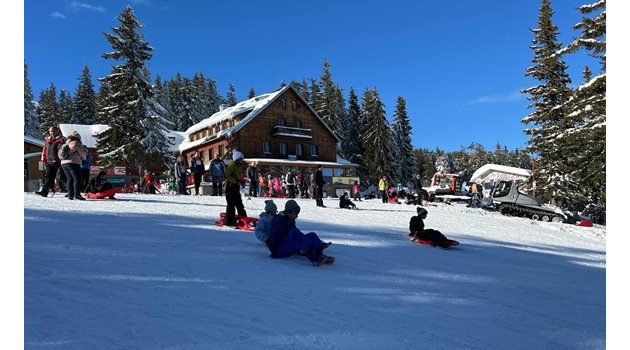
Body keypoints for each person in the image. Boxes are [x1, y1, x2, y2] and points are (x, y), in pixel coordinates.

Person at [267, 200, 334, 266]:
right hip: (278, 250)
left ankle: (319, 251)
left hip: (285, 246)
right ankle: (315, 258)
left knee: (312, 235)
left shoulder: (289, 219)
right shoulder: (281, 221)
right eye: (296, 213)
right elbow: (275, 238)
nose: (297, 216)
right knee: (296, 234)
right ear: (289, 212)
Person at [35, 126, 66, 197]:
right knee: (48, 177)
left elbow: (64, 150)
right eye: (50, 131)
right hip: (49, 162)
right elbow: (44, 150)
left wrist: (63, 159)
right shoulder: (47, 140)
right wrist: (43, 159)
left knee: (62, 176)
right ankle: (44, 192)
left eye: (53, 131)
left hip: (58, 161)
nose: (52, 132)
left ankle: (71, 190)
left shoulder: (61, 139)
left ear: (57, 131)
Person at [60, 131, 88, 200]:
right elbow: (84, 155)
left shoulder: (66, 144)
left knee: (69, 179)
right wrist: (83, 157)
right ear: (78, 138)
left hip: (64, 163)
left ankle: (70, 195)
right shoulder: (76, 143)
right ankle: (77, 194)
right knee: (77, 179)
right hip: (74, 163)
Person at [224, 150, 248, 227]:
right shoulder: (232, 165)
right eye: (240, 159)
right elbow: (227, 176)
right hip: (230, 187)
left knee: (239, 203)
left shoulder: (239, 166)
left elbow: (238, 176)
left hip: (236, 187)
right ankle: (229, 222)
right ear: (236, 159)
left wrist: (241, 181)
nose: (241, 161)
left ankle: (243, 219)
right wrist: (236, 180)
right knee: (231, 204)